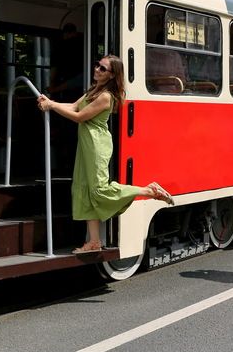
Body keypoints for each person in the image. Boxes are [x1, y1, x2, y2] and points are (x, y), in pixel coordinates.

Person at [37, 55, 174, 254]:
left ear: (111, 75)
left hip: (96, 145)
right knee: (84, 189)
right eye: (97, 65)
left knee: (99, 190)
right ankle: (94, 242)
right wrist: (51, 102)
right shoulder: (94, 90)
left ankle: (148, 191)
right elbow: (74, 106)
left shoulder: (106, 96)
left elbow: (78, 116)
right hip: (86, 144)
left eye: (102, 69)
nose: (97, 70)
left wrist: (51, 105)